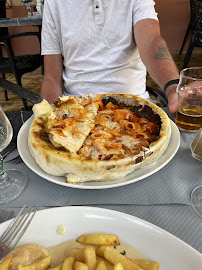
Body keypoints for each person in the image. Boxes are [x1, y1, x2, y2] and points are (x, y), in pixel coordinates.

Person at [41, 0, 179, 113]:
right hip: (74, 113)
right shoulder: (53, 3)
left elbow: (151, 42)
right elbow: (52, 77)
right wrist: (48, 117)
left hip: (135, 111)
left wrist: (173, 86)